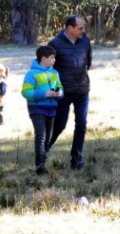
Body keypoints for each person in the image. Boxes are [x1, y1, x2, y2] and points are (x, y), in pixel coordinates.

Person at [47, 14, 92, 170]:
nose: (83, 30)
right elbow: (47, 69)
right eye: (80, 28)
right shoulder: (54, 44)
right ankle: (46, 146)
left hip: (82, 91)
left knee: (81, 124)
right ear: (70, 28)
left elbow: (88, 62)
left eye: (83, 27)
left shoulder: (85, 41)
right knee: (59, 124)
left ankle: (77, 159)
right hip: (63, 92)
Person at [22, 45, 64, 174]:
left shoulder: (55, 73)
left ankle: (42, 161)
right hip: (37, 109)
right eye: (52, 58)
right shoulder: (31, 74)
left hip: (51, 109)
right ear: (43, 58)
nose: (54, 60)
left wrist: (59, 94)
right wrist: (45, 94)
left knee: (48, 137)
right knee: (41, 135)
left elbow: (60, 87)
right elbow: (26, 92)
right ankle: (39, 165)